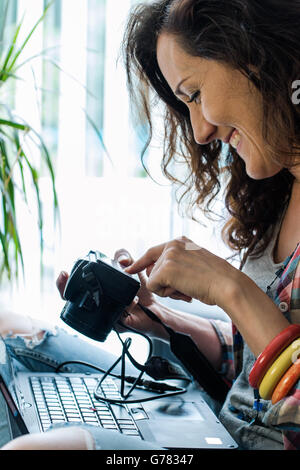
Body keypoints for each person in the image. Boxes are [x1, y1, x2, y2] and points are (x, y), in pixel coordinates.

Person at [1, 0, 300, 450]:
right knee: (8, 330)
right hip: (220, 427)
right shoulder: (281, 191)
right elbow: (248, 370)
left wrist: (231, 289)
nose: (199, 131)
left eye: (195, 94)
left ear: (259, 57)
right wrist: (163, 323)